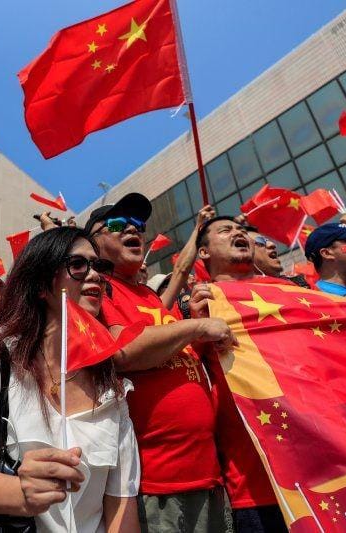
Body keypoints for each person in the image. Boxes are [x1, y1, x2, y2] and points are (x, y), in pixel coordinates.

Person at [0, 226, 140, 532]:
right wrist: (21, 493)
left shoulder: (114, 390)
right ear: (41, 284)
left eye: (99, 266)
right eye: (78, 264)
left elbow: (122, 506)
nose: (94, 274)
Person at [87, 193, 236, 533]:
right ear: (91, 244)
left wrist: (198, 331)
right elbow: (122, 352)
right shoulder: (100, 291)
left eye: (138, 225)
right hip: (160, 485)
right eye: (116, 224)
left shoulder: (149, 296)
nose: (132, 229)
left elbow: (177, 355)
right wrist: (196, 326)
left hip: (208, 474)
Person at [194, 216, 291, 532]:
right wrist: (195, 325)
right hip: (256, 485)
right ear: (204, 253)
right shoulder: (202, 304)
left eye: (241, 230)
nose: (237, 232)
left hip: (326, 472)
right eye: (225, 231)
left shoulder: (291, 291)